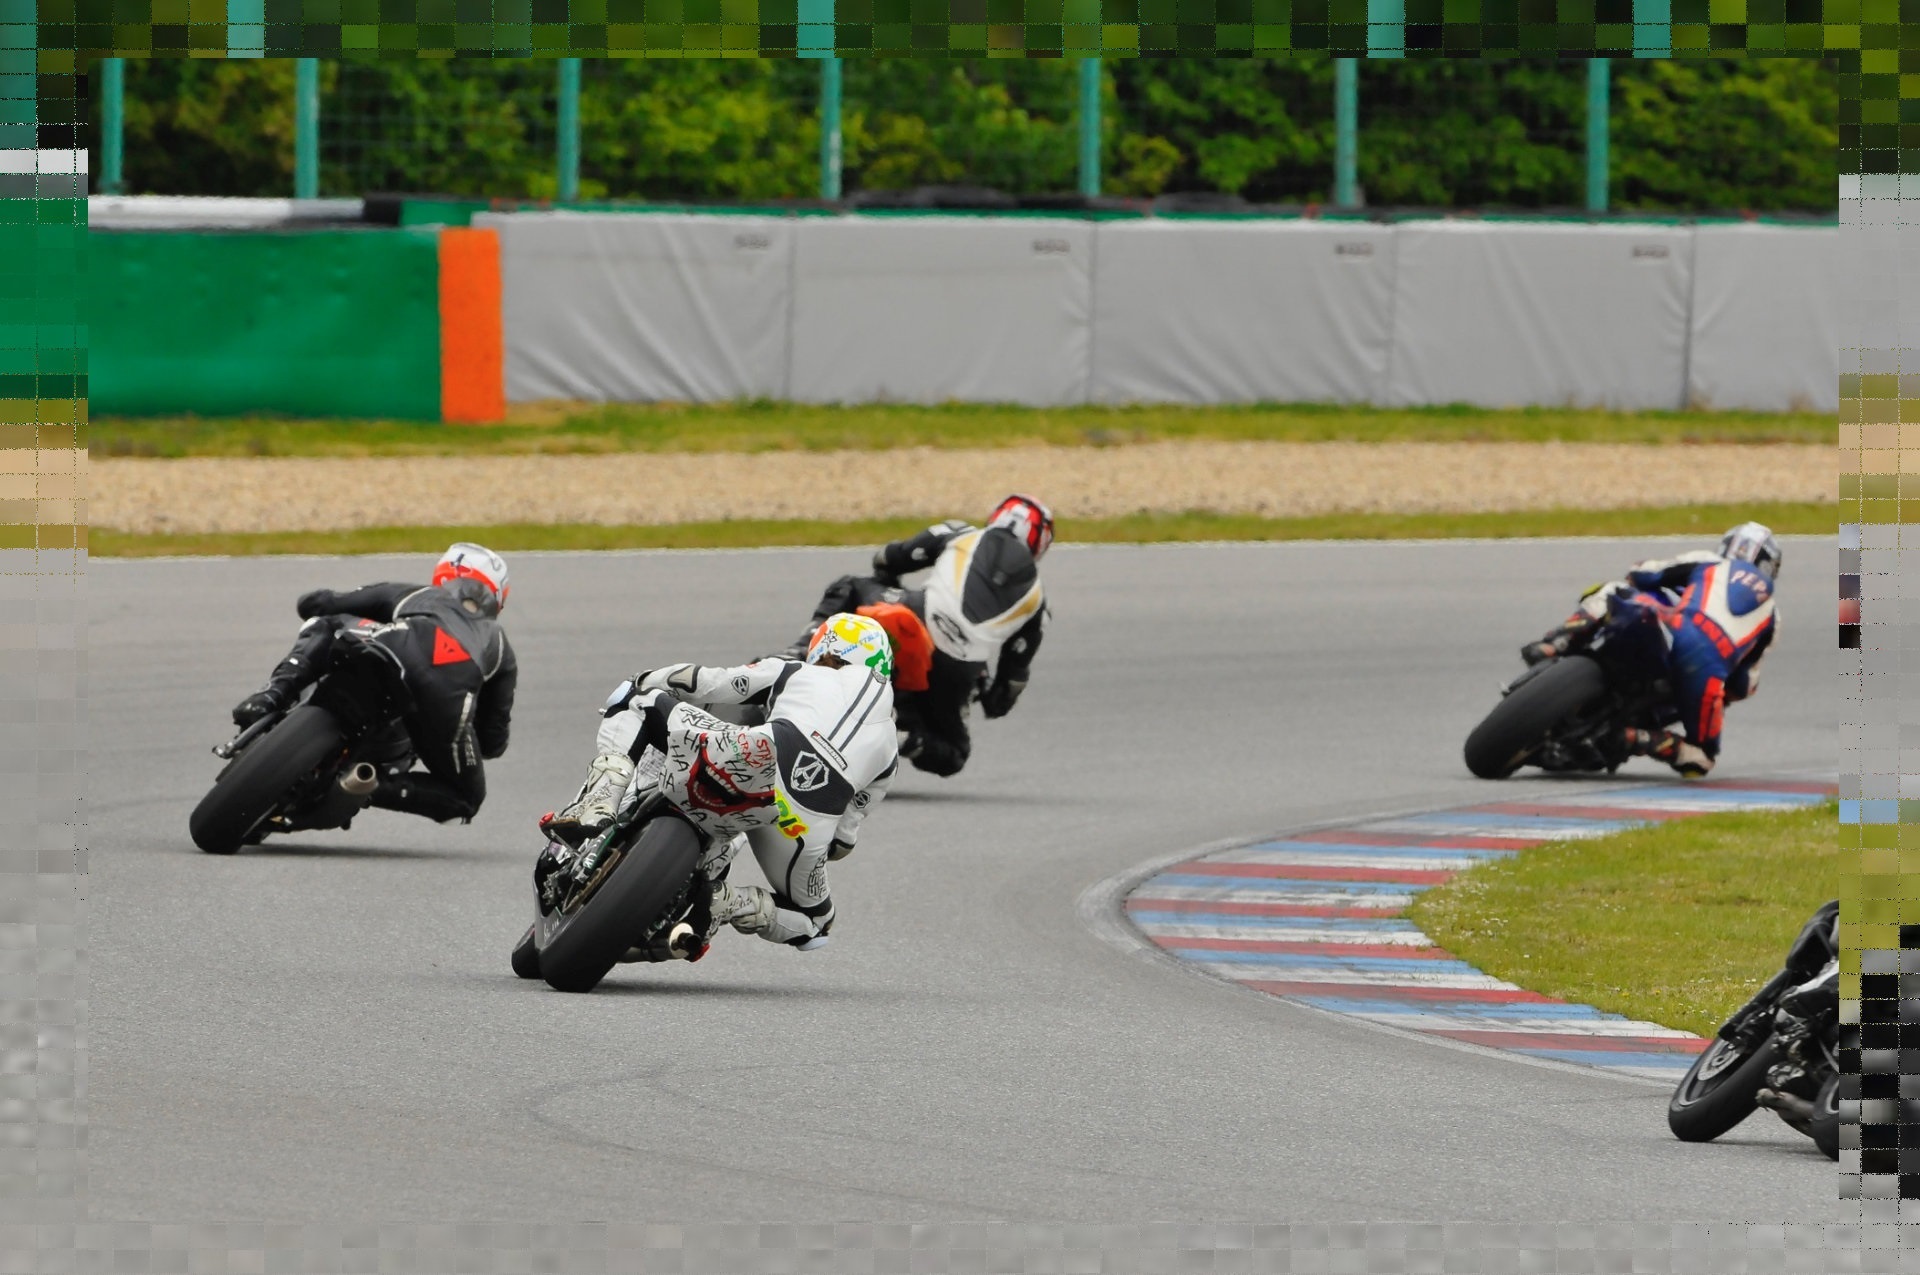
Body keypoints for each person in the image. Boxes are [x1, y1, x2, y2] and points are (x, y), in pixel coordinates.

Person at [544, 612, 899, 959]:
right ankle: (728, 902)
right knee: (817, 922)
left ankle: (599, 801)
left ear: (824, 649)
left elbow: (707, 682)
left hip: (753, 753)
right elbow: (841, 843)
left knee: (637, 700)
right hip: (799, 824)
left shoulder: (796, 670)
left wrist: (648, 679)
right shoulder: (890, 753)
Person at [229, 542, 518, 824]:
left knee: (327, 621)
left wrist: (329, 605)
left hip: (389, 650)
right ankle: (369, 786)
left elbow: (319, 604)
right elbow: (493, 742)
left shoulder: (416, 595)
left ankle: (270, 695)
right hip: (444, 702)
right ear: (497, 598)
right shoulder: (499, 643)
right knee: (466, 797)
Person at [781, 494, 1054, 778]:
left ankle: (800, 650)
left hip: (913, 617)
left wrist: (888, 586)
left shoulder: (960, 533)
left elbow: (888, 557)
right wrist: (981, 689)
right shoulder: (1038, 603)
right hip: (956, 668)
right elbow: (1005, 693)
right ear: (1040, 543)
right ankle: (903, 734)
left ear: (997, 515)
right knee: (954, 755)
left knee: (851, 586)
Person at [1521, 521, 1781, 778]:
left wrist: (1641, 579)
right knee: (1702, 758)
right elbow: (1744, 685)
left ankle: (1558, 642)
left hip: (1673, 630)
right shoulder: (1772, 617)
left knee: (1613, 590)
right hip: (1707, 676)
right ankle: (1638, 738)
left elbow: (1644, 572)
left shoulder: (1710, 561)